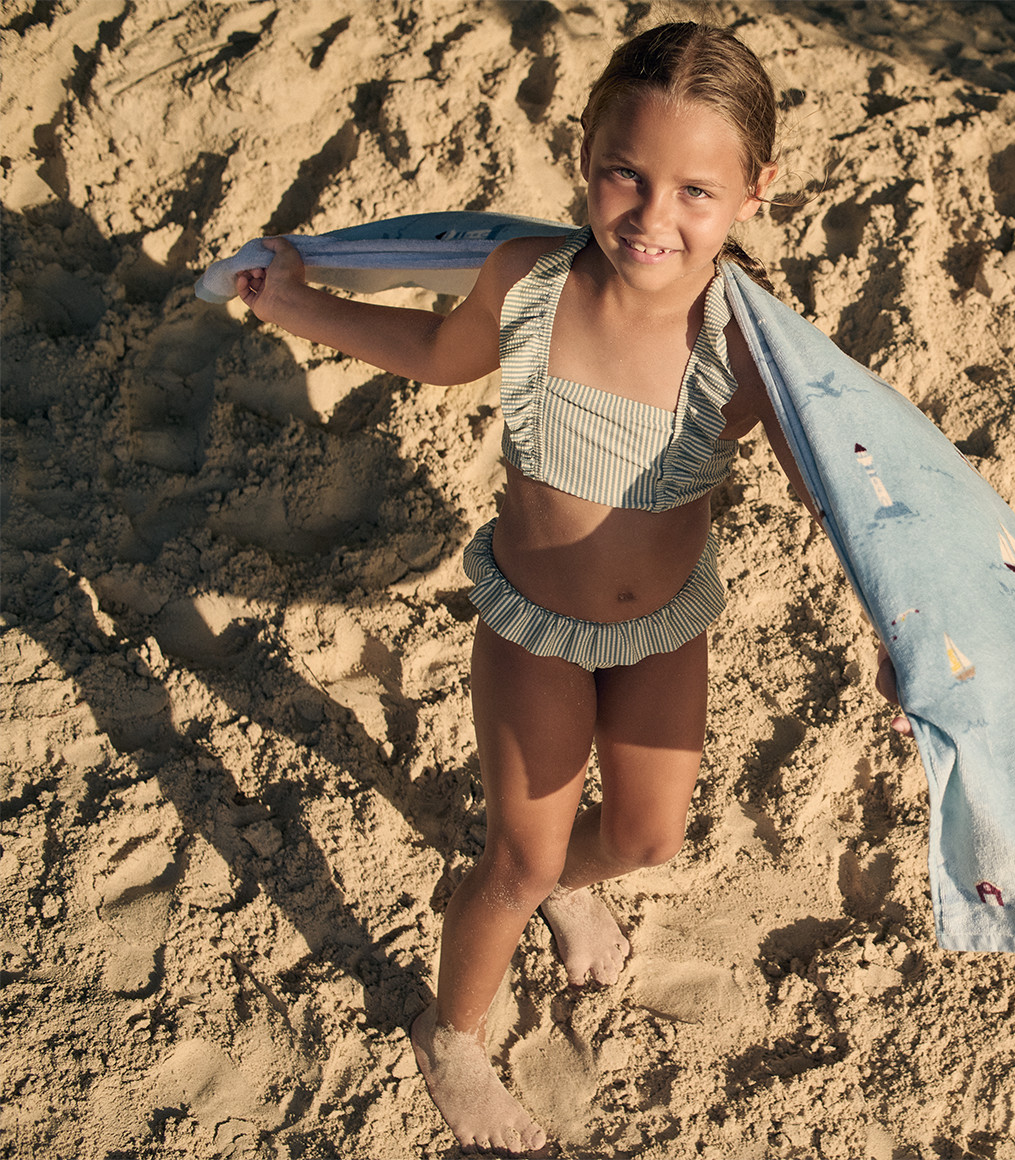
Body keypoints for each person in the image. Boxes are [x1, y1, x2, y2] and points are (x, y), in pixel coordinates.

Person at [236, 20, 893, 1154]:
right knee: (519, 856)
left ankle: (561, 888)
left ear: (755, 192)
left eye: (695, 191)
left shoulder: (748, 346)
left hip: (665, 628)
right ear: (584, 154)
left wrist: (895, 630)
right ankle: (451, 1036)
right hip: (533, 623)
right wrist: (293, 303)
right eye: (624, 174)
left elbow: (830, 493)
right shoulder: (529, 284)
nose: (650, 215)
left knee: (643, 838)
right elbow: (434, 352)